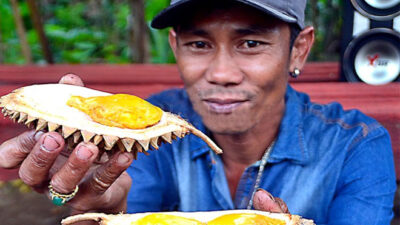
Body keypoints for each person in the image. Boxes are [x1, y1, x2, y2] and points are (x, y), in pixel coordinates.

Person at [0, 0, 396, 224]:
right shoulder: (142, 131)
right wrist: (106, 204)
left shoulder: (356, 145)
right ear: (175, 46)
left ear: (299, 49)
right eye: (199, 45)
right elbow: (123, 202)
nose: (221, 74)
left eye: (252, 43)